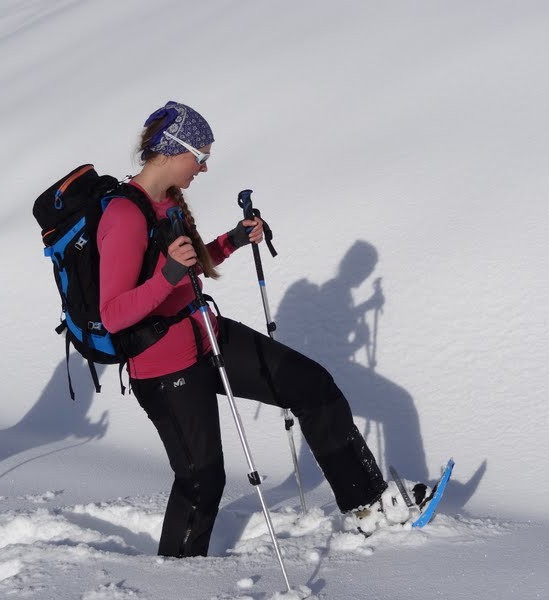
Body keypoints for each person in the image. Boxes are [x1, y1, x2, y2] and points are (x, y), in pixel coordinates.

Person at [97, 101, 415, 557]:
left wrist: (230, 240)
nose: (204, 168)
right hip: (163, 367)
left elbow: (189, 266)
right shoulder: (124, 217)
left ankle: (367, 505)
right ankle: (178, 580)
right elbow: (114, 314)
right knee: (202, 479)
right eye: (200, 157)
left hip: (207, 336)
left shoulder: (167, 203)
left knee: (312, 385)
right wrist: (166, 276)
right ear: (171, 151)